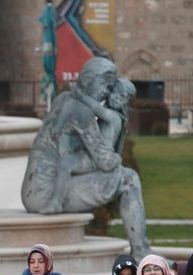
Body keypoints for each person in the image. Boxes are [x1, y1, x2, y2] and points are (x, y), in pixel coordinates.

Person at [21, 57, 152, 260]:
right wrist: (116, 159)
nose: (106, 92)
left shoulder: (63, 99)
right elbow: (103, 161)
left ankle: (141, 250)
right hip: (46, 193)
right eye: (105, 84)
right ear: (89, 80)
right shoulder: (81, 111)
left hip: (34, 189)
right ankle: (141, 252)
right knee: (129, 179)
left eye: (110, 88)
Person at [46, 78, 136, 215]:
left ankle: (56, 202)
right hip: (96, 154)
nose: (118, 98)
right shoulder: (109, 115)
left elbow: (95, 108)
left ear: (127, 103)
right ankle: (61, 199)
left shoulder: (114, 118)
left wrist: (80, 95)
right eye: (115, 93)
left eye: (123, 98)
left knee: (65, 164)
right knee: (66, 161)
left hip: (102, 158)